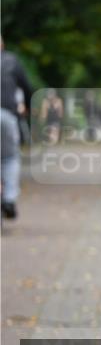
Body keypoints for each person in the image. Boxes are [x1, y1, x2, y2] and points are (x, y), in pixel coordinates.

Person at [1, 37, 34, 220]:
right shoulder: (11, 60)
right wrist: (27, 108)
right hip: (6, 114)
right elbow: (27, 88)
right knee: (10, 158)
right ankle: (9, 199)